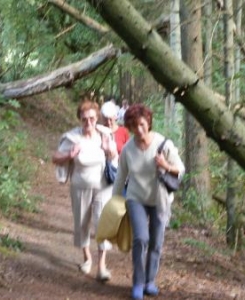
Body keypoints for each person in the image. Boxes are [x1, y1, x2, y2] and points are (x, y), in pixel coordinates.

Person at [112, 104, 185, 300]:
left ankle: (149, 281)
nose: (139, 129)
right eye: (134, 126)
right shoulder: (128, 149)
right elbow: (121, 176)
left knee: (156, 242)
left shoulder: (163, 144)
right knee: (140, 239)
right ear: (130, 127)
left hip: (160, 199)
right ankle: (138, 282)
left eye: (142, 124)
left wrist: (165, 165)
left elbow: (180, 169)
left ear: (148, 123)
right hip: (136, 198)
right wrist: (115, 201)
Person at [52, 96, 118, 282]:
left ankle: (102, 266)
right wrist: (69, 155)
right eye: (84, 119)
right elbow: (55, 157)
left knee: (102, 224)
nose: (88, 122)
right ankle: (87, 258)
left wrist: (107, 149)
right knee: (82, 224)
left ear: (97, 118)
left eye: (92, 118)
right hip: (80, 186)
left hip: (103, 187)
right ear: (79, 119)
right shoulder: (72, 137)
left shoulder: (105, 134)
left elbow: (114, 156)